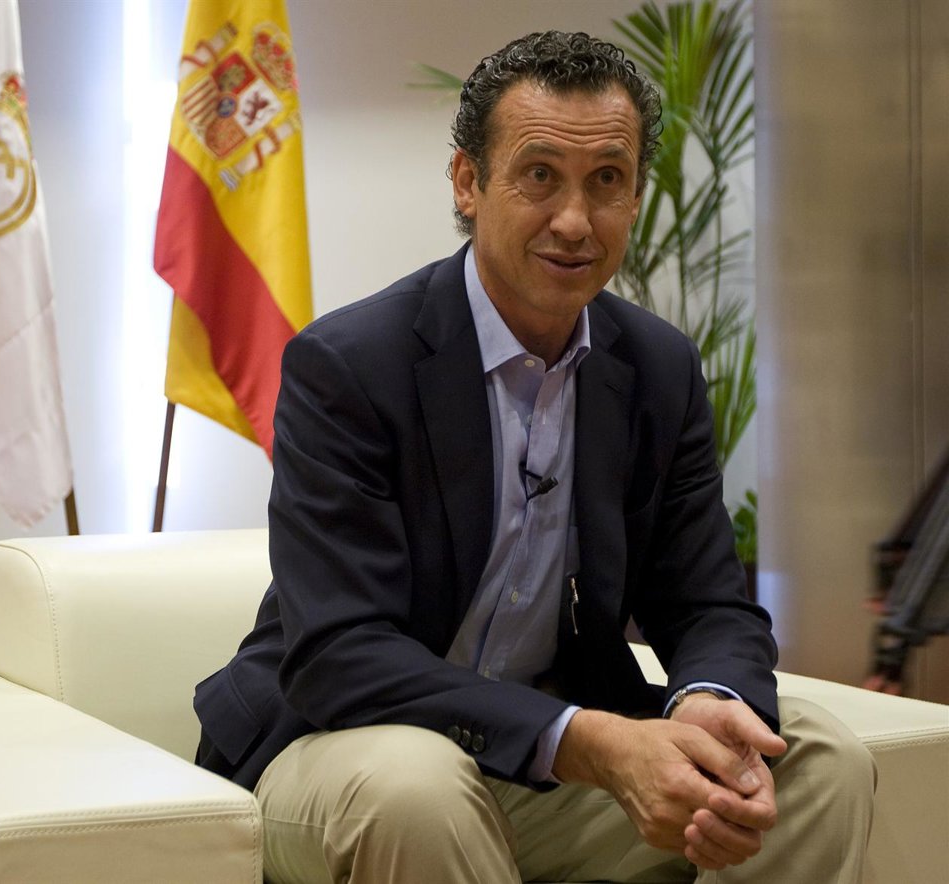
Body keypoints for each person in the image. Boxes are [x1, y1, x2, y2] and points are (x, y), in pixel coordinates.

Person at [195, 30, 875, 883]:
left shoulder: (657, 368)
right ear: (468, 181)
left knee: (817, 762)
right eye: (540, 175)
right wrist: (588, 742)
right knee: (419, 787)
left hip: (545, 760)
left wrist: (709, 698)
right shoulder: (351, 366)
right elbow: (340, 653)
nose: (575, 221)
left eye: (607, 181)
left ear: (635, 196)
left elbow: (708, 603)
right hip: (337, 748)